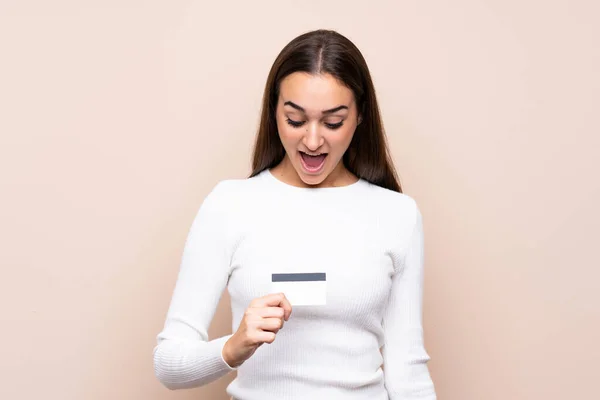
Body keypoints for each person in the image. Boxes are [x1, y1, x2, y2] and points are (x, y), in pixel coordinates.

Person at [153, 29, 437, 400]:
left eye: (333, 122)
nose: (313, 141)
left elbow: (408, 372)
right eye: (295, 120)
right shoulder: (229, 205)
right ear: (274, 113)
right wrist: (233, 346)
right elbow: (168, 363)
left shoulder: (398, 215)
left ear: (361, 115)